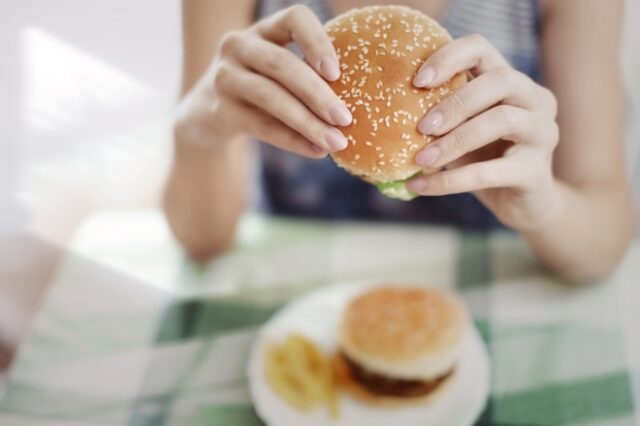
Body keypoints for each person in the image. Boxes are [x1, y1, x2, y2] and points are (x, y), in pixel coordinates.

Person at [163, 0, 634, 281]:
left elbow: (606, 242)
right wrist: (196, 131)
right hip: (297, 288)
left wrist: (543, 206)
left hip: (494, 284)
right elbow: (200, 241)